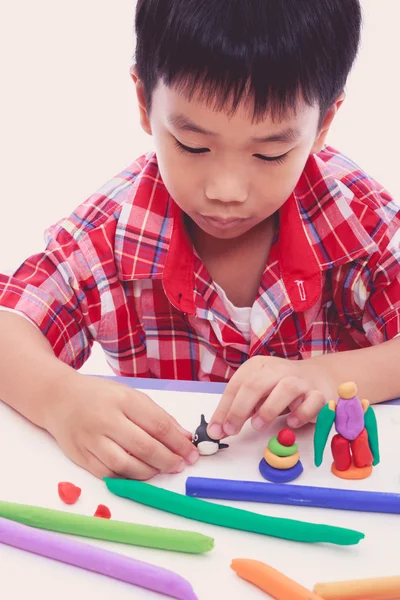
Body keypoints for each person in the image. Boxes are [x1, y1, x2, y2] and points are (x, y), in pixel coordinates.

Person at [0, 0, 399, 481]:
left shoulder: (357, 219)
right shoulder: (110, 234)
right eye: (193, 146)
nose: (225, 190)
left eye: (270, 153)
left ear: (324, 125)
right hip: (174, 505)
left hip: (334, 500)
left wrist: (329, 378)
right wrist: (59, 398)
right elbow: (11, 325)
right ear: (145, 103)